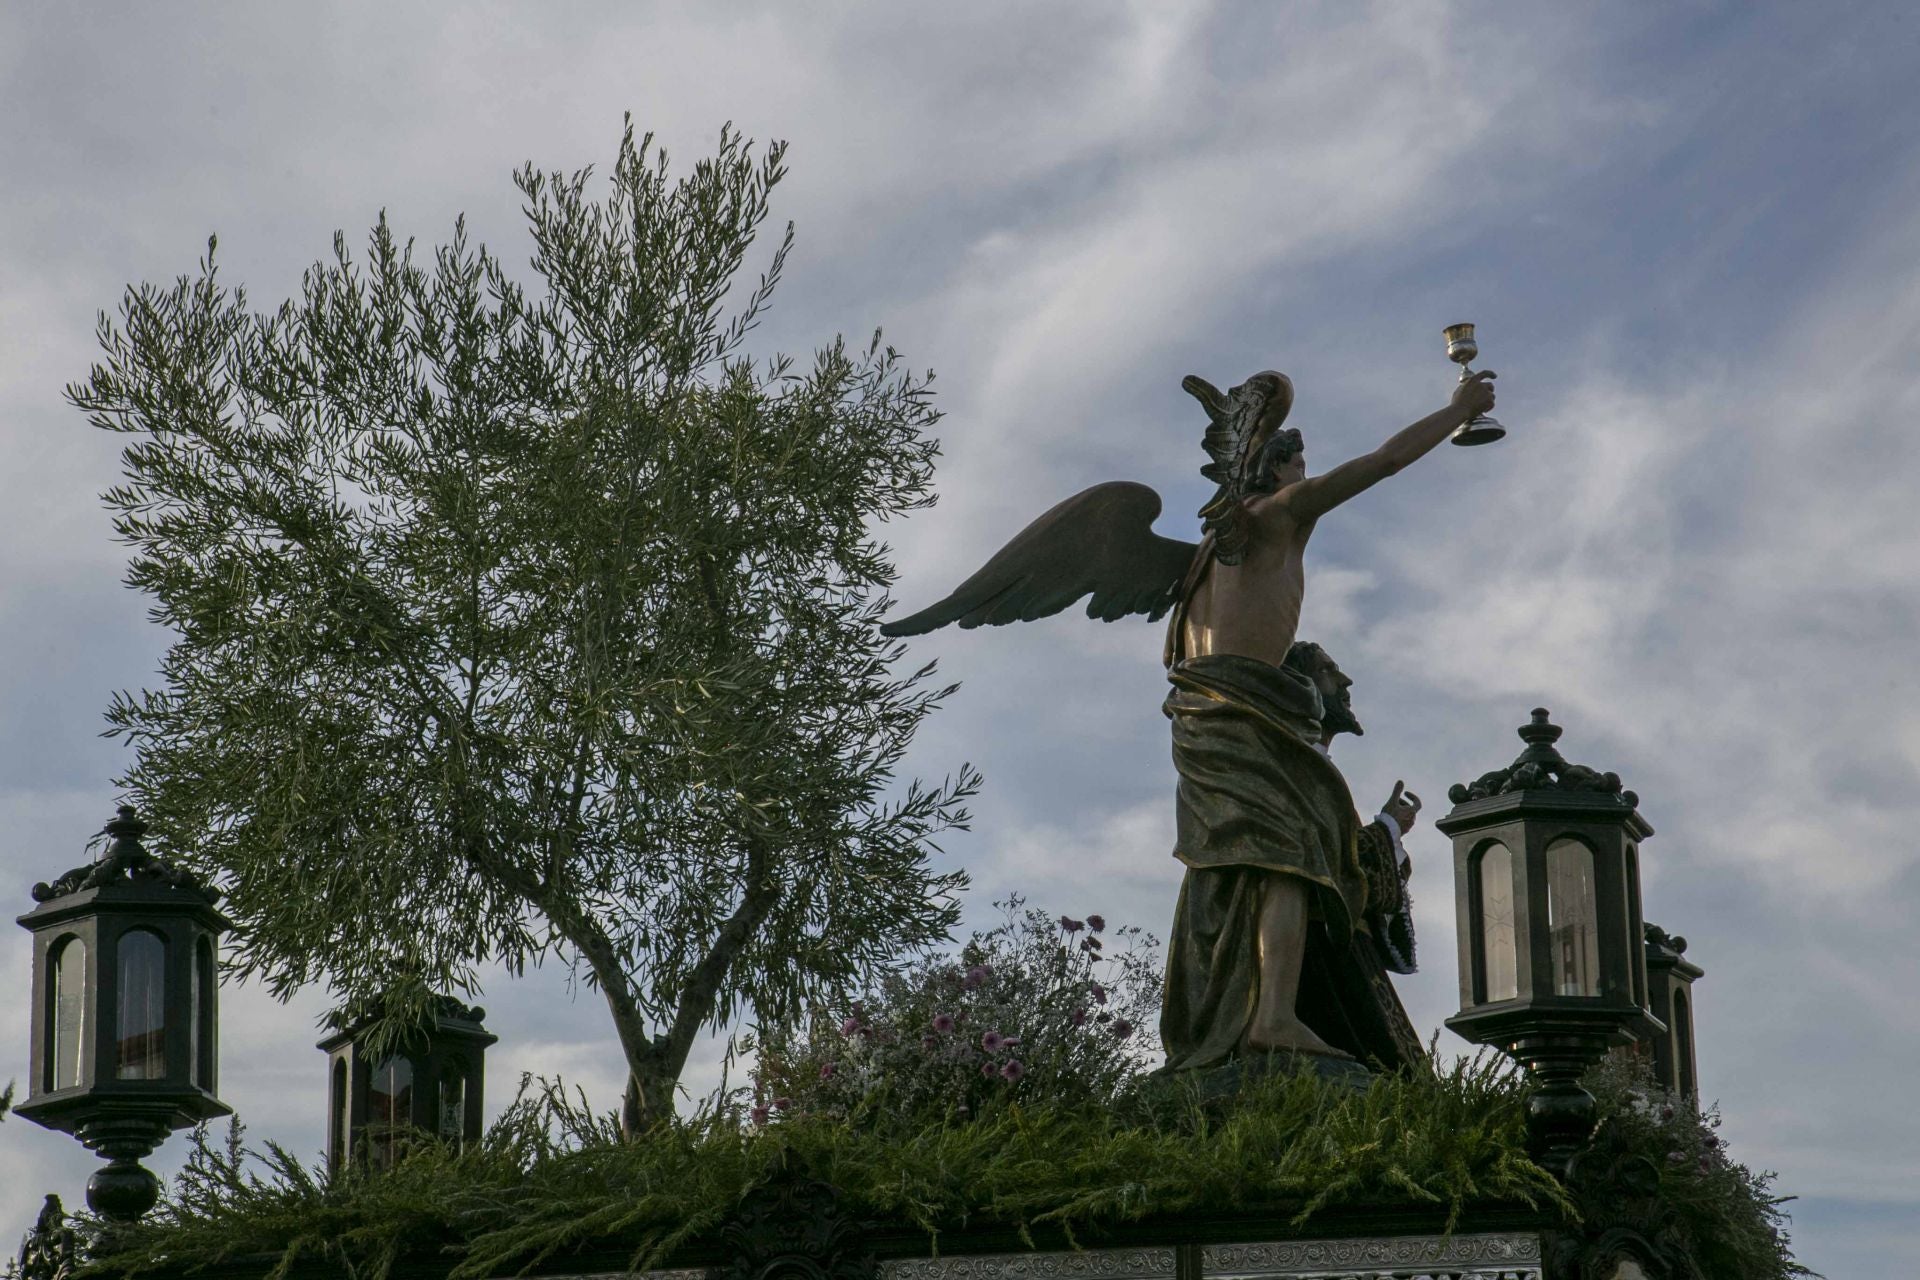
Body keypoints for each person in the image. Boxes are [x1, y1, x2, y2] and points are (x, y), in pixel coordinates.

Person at [1158, 369, 1495, 1069]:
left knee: (1228, 865)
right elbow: (1384, 461)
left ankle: (1215, 1012)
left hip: (1199, 717)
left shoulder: (1201, 560)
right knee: (1294, 856)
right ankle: (1273, 1017)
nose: (1306, 478)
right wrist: (1456, 412)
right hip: (1250, 709)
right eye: (1299, 465)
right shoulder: (1278, 515)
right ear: (1275, 468)